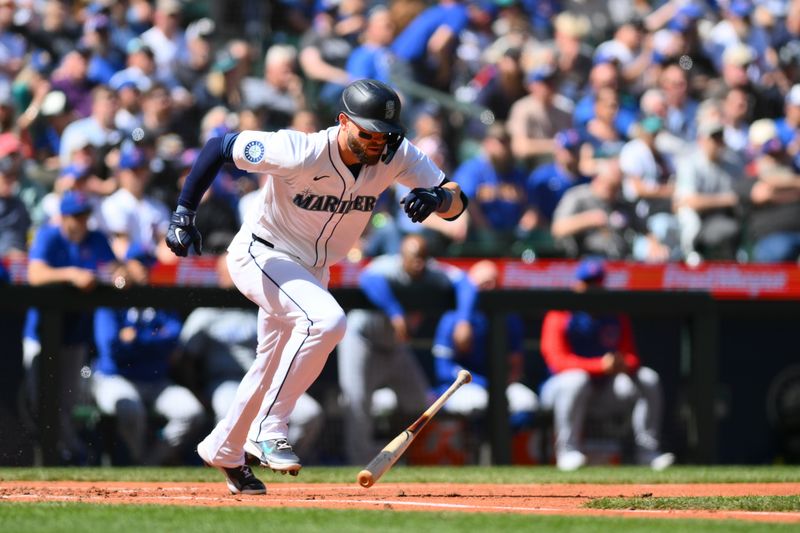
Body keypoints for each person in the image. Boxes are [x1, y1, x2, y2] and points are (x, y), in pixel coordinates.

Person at [165, 79, 467, 495]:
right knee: (327, 321)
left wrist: (436, 197)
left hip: (311, 270)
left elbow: (456, 197)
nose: (379, 142)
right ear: (343, 122)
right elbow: (219, 147)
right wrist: (183, 213)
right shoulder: (300, 149)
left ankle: (225, 448)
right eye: (369, 132)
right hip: (262, 254)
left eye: (387, 134)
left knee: (269, 364)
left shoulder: (395, 153)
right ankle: (268, 428)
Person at [337, 234, 474, 464]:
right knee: (357, 403)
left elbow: (465, 283)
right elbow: (367, 278)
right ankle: (359, 464)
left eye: (422, 258)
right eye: (413, 258)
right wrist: (395, 312)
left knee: (419, 400)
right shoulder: (388, 265)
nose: (418, 263)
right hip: (363, 341)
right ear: (402, 257)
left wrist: (463, 320)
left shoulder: (433, 272)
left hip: (396, 347)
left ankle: (399, 457)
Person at [179, 255, 324, 463]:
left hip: (268, 381)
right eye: (226, 271)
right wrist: (197, 393)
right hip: (226, 381)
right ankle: (231, 465)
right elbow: (185, 359)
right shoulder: (205, 314)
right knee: (226, 412)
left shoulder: (266, 305)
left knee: (310, 414)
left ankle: (266, 460)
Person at [539, 258, 674, 472]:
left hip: (604, 390)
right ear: (577, 284)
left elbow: (632, 356)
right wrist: (600, 365)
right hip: (558, 390)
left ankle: (646, 452)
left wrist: (621, 363)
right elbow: (557, 361)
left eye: (597, 282)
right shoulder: (561, 313)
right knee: (576, 380)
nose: (592, 288)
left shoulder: (614, 313)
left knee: (648, 378)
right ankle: (567, 451)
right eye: (587, 282)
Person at [23, 190, 127, 463]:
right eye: (76, 216)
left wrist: (124, 272)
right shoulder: (49, 235)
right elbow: (35, 274)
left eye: (85, 215)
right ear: (64, 216)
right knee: (37, 400)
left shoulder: (95, 239)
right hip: (40, 334)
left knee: (65, 403)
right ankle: (47, 455)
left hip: (76, 335)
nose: (82, 220)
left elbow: (116, 270)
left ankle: (66, 454)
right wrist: (71, 274)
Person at [92, 243, 206, 465]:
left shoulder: (159, 298)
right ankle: (135, 461)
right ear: (126, 265)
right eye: (138, 263)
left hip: (155, 380)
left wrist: (136, 339)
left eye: (148, 264)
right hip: (115, 378)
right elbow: (112, 349)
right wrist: (153, 338)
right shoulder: (112, 297)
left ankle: (148, 462)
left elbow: (173, 339)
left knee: (192, 413)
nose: (145, 269)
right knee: (129, 409)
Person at [431, 260, 537, 425]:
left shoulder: (509, 318)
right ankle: (473, 449)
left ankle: (505, 448)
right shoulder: (453, 318)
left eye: (495, 282)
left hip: (499, 384)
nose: (491, 288)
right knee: (479, 403)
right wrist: (483, 383)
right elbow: (443, 369)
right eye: (485, 284)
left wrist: (504, 382)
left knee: (527, 402)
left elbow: (516, 362)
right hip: (461, 386)